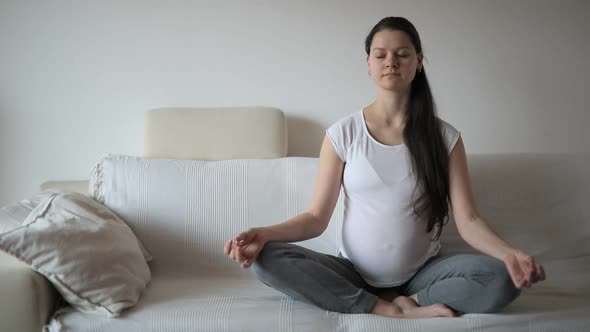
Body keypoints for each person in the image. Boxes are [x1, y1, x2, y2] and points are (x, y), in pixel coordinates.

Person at [223, 16, 545, 318]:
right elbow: (315, 219)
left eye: (402, 54)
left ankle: (412, 304)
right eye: (380, 55)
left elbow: (469, 220)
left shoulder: (445, 138)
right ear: (368, 64)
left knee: (502, 278)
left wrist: (509, 253)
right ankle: (379, 307)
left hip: (423, 275)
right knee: (265, 260)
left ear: (419, 62)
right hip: (352, 275)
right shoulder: (343, 134)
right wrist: (264, 233)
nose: (391, 61)